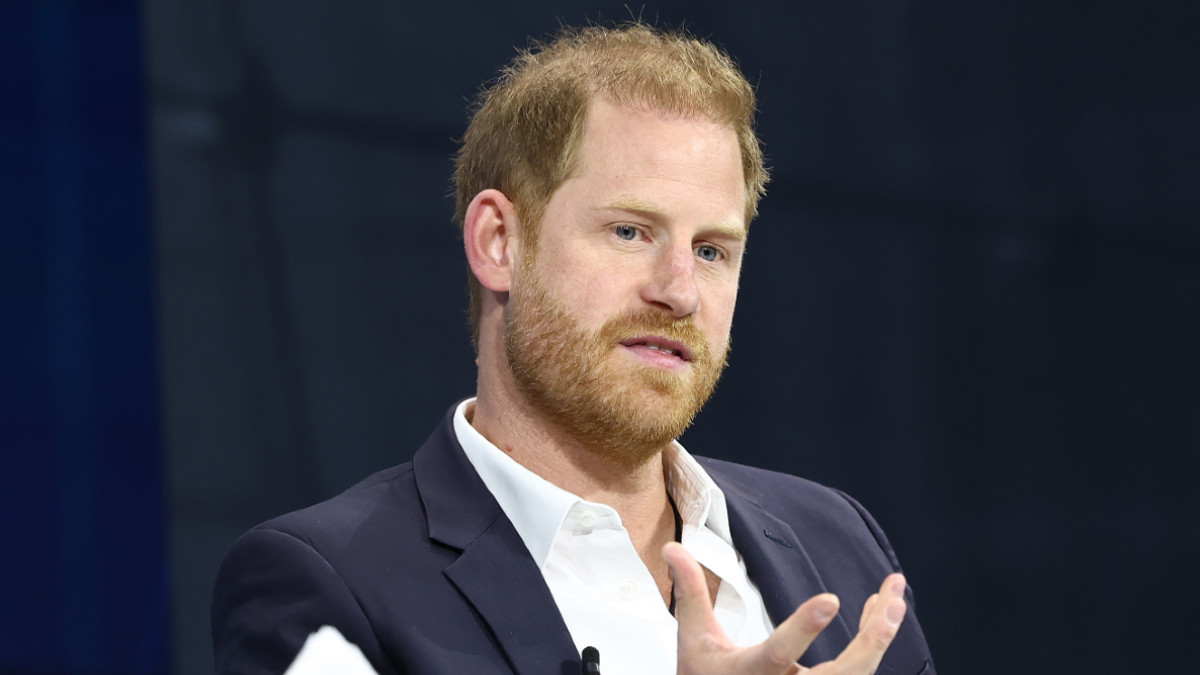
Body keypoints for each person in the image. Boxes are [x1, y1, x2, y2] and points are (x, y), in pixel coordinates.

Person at [212, 22, 936, 675]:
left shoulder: (835, 539)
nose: (679, 291)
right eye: (630, 232)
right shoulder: (331, 582)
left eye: (712, 250)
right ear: (500, 242)